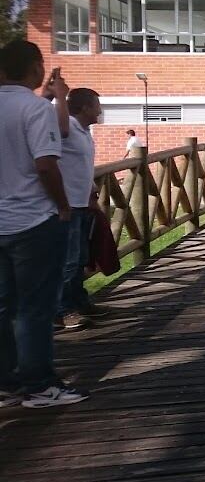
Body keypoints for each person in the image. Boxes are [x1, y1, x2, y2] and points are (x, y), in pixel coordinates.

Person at [0, 40, 86, 408]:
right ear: (36, 68)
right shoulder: (35, 109)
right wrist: (64, 206)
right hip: (33, 221)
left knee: (4, 306)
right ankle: (39, 385)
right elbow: (46, 165)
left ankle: (6, 383)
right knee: (34, 308)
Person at [56, 86, 109, 329]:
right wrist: (57, 93)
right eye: (97, 105)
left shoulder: (85, 131)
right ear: (85, 107)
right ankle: (63, 311)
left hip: (82, 202)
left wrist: (91, 192)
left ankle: (80, 302)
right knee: (67, 260)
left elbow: (81, 166)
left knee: (79, 258)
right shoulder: (66, 129)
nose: (100, 110)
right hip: (66, 206)